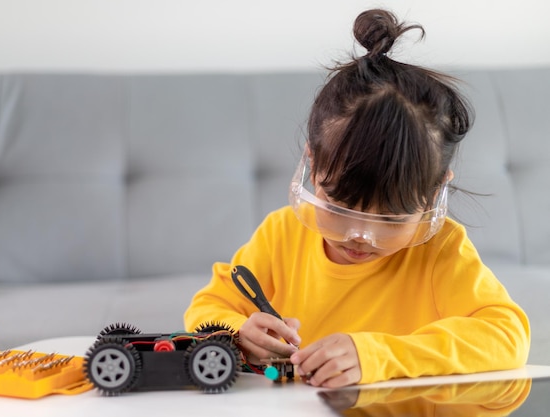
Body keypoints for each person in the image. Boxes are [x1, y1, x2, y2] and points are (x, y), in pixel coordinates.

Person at [183, 8, 530, 388]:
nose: (360, 236)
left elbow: (506, 337)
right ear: (312, 168)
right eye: (339, 205)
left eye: (392, 218)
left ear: (434, 192)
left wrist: (380, 355)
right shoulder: (280, 236)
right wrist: (238, 334)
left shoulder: (441, 251)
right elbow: (207, 308)